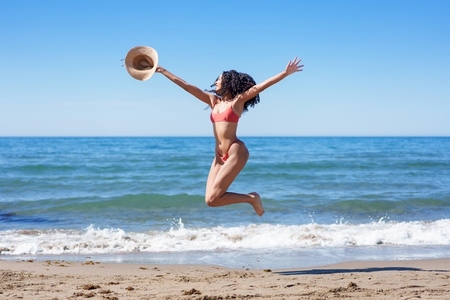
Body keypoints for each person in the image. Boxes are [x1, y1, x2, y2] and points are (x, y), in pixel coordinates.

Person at [156, 57, 303, 216]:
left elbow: (261, 86)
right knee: (211, 200)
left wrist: (285, 73)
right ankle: (251, 198)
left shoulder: (237, 102)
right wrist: (162, 71)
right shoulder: (213, 101)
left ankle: (253, 199)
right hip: (219, 156)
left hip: (235, 151)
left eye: (219, 79)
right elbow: (186, 86)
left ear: (228, 82)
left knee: (214, 196)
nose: (216, 82)